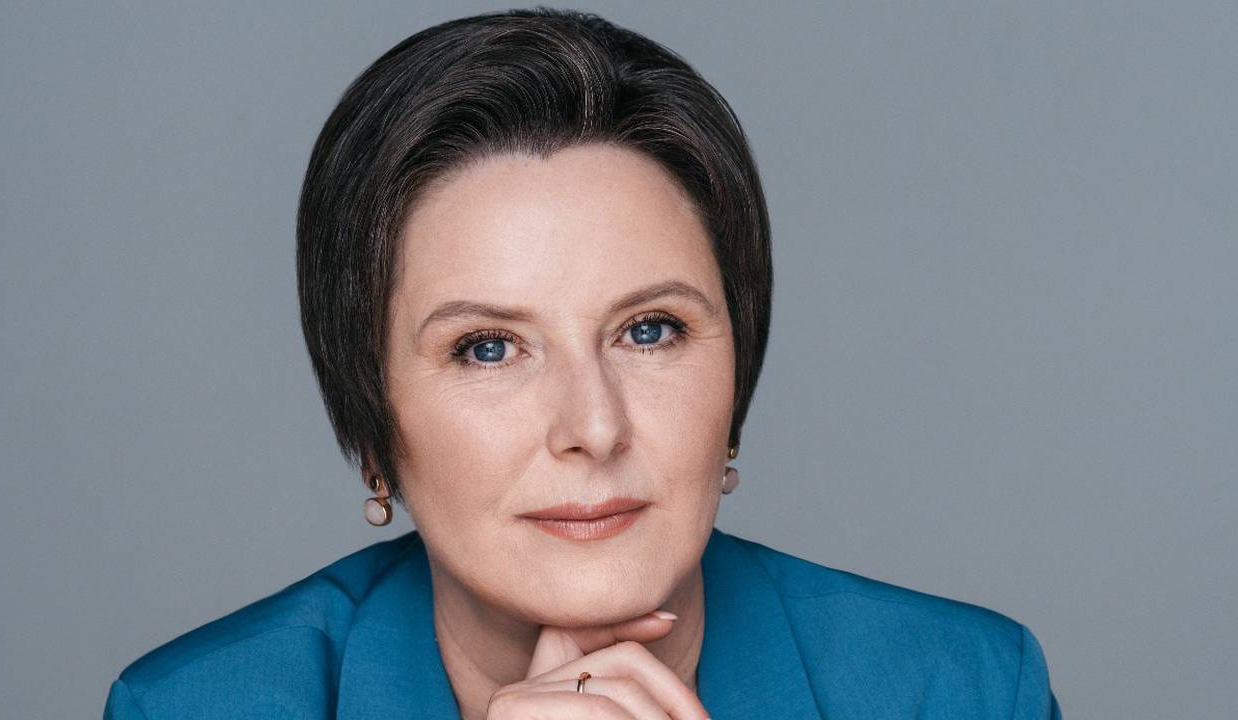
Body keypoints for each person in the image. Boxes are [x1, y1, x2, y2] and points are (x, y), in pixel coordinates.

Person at [103, 7, 1060, 719]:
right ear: (372, 429)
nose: (594, 427)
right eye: (488, 348)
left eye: (650, 330)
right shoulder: (196, 707)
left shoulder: (959, 690)